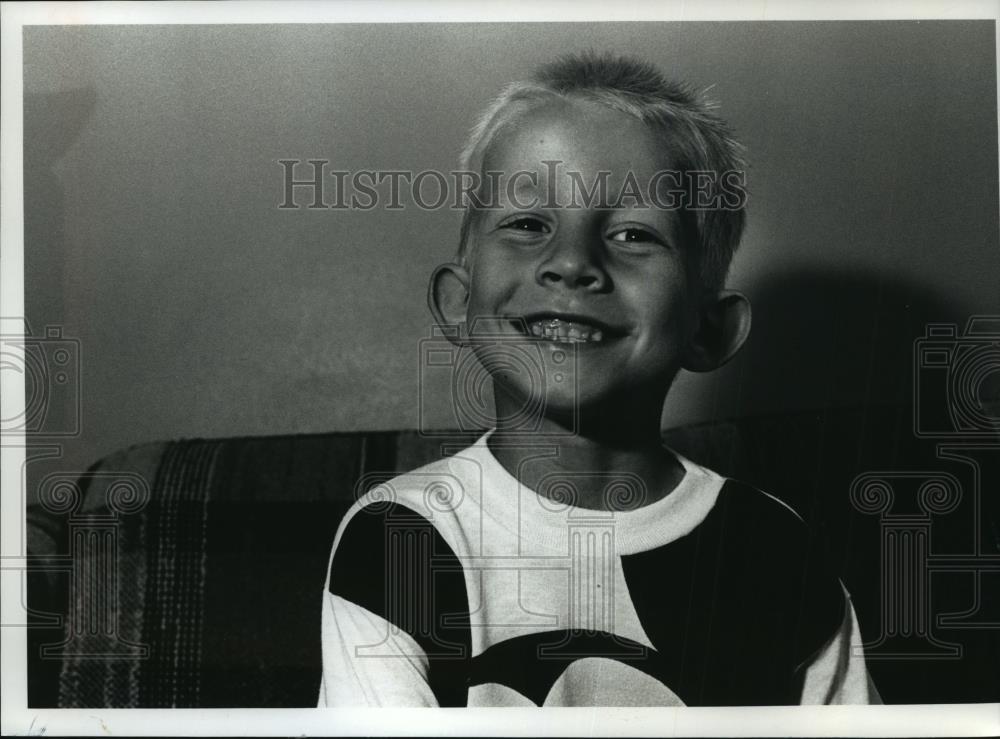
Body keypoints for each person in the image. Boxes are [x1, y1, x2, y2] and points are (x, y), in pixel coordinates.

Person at [318, 52, 879, 707]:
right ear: (458, 302)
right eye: (528, 223)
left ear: (709, 329)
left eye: (634, 233)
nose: (571, 262)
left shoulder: (776, 552)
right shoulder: (401, 539)